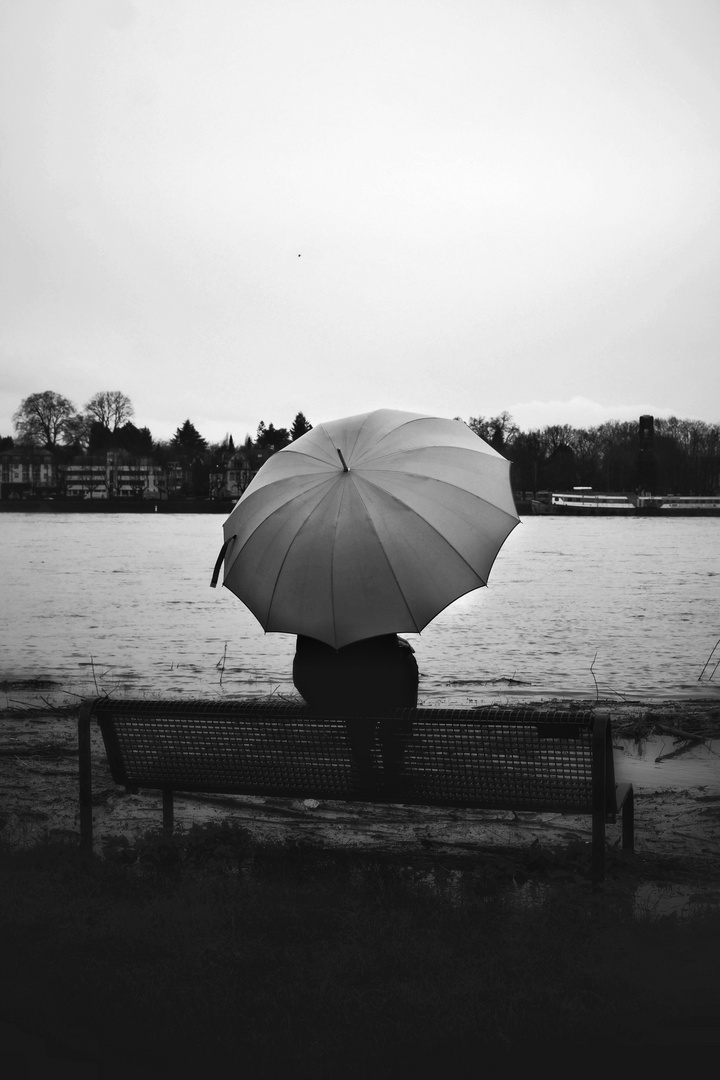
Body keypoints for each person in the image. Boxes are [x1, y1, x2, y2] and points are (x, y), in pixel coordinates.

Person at [292, 633, 418, 789]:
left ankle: (364, 768)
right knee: (405, 662)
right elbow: (382, 661)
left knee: (359, 694)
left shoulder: (309, 624)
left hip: (322, 697)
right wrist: (398, 648)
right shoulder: (372, 620)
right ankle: (392, 769)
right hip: (361, 696)